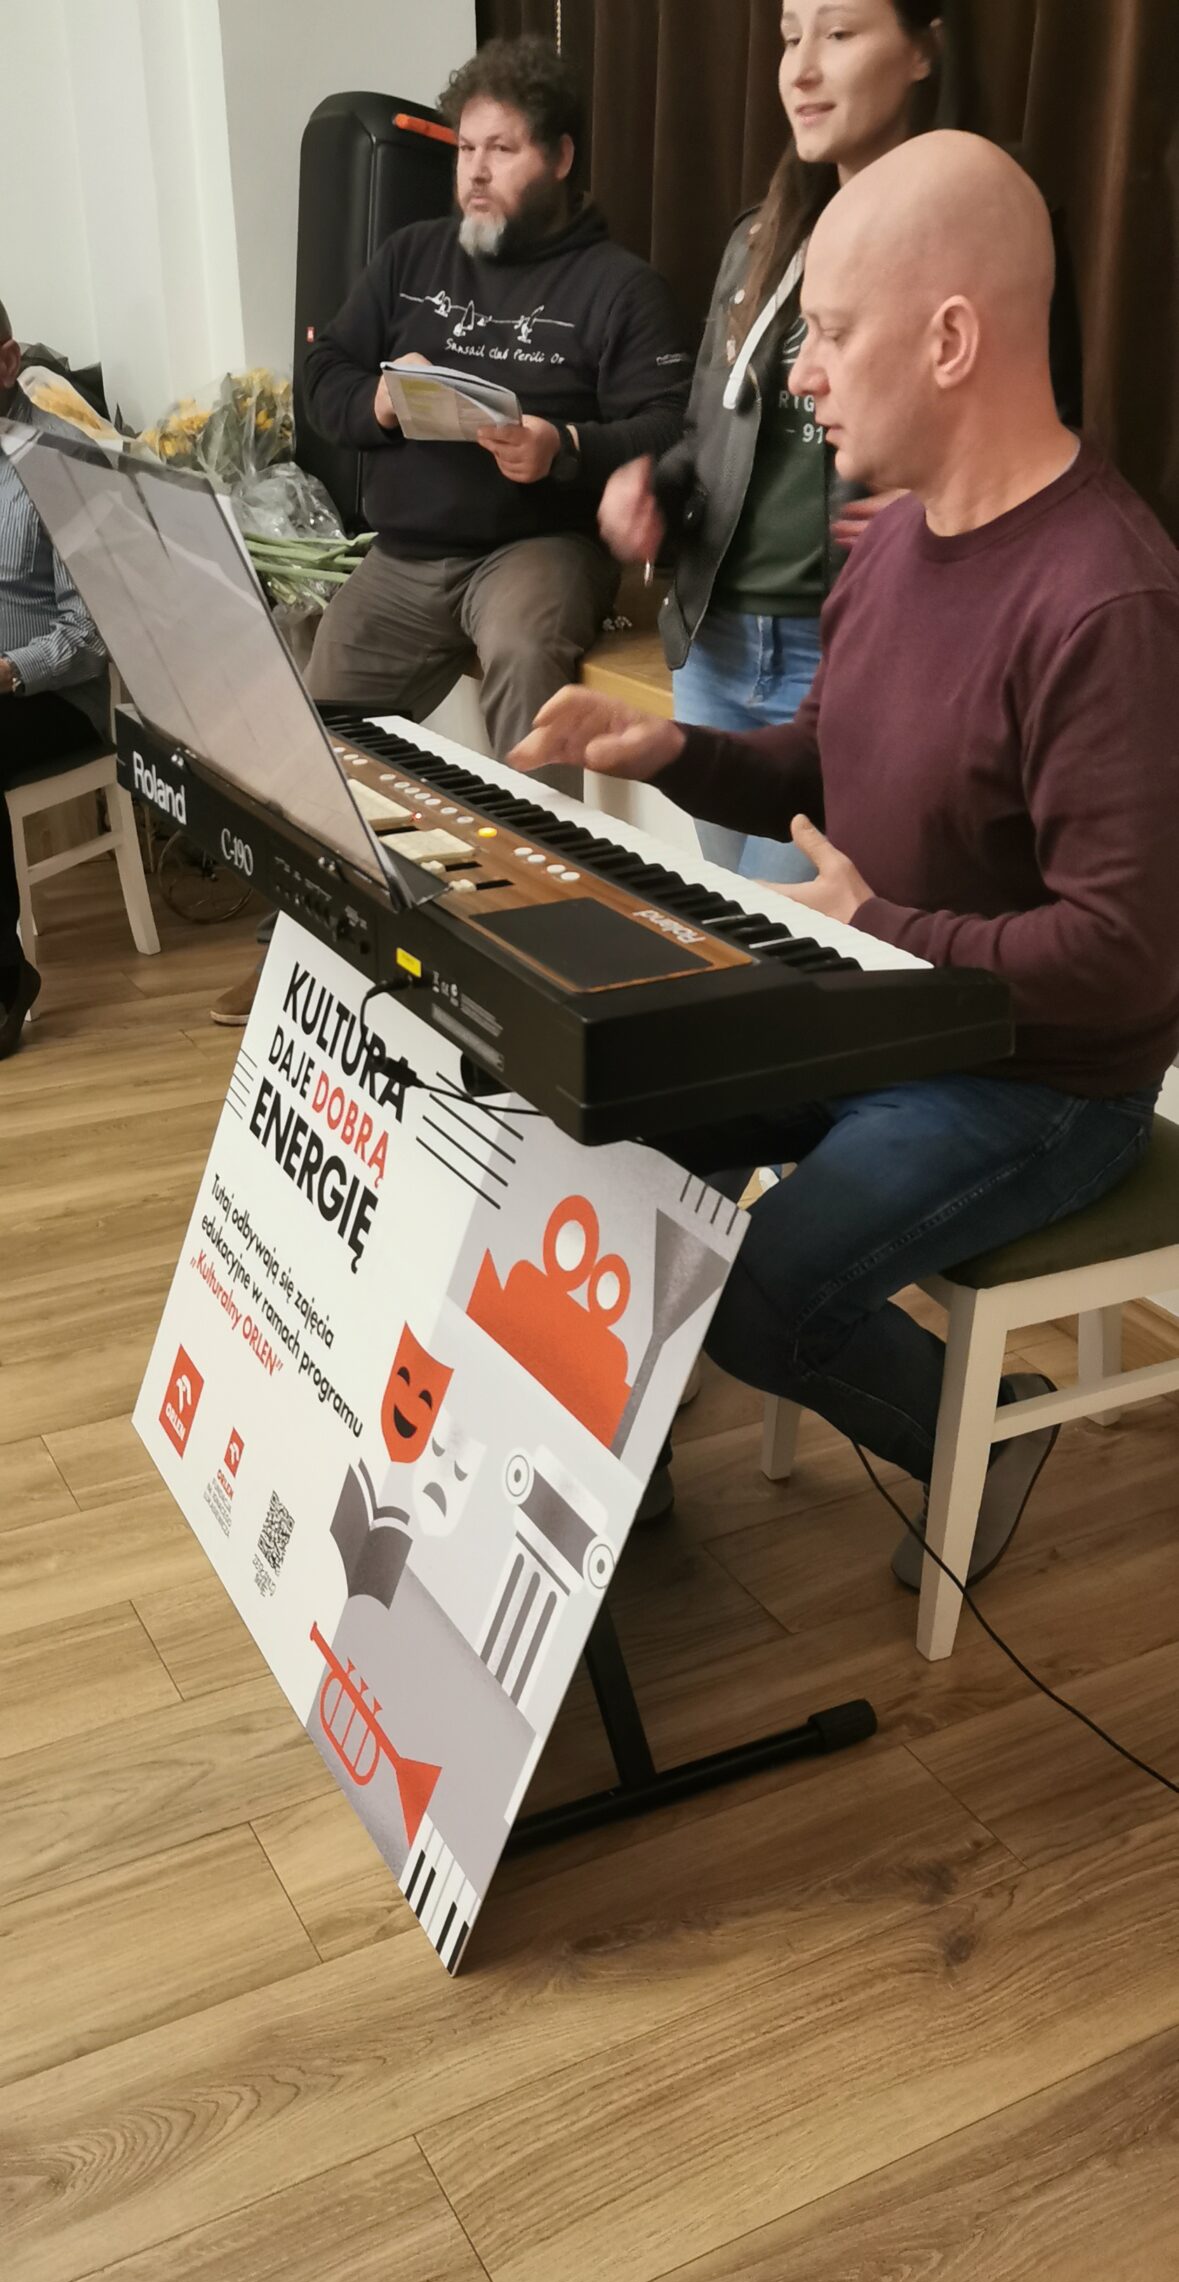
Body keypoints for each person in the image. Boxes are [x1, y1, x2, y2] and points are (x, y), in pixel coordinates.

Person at [510, 133, 1179, 1583]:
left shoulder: (1105, 600)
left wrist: (883, 925)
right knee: (604, 1114)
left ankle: (980, 1440)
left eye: (826, 332)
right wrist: (667, 751)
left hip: (1041, 1078)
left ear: (950, 341)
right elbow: (823, 760)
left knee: (767, 1298)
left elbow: (1125, 960)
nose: (796, 374)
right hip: (879, 1003)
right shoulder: (886, 543)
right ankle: (598, 1477)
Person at [209, 33, 693, 1033]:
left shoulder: (617, 286)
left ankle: (539, 945)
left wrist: (564, 445)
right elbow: (326, 372)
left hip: (535, 546)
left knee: (524, 651)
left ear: (559, 158)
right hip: (405, 553)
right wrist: (381, 401)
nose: (475, 170)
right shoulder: (411, 257)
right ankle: (311, 942)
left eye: (502, 149)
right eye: (467, 148)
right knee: (319, 722)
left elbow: (669, 429)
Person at [598, 0, 1081, 886]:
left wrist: (940, 499)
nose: (802, 68)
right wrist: (655, 493)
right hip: (716, 644)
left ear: (923, 50)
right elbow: (706, 435)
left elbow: (1038, 439)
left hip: (850, 648)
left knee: (787, 931)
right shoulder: (758, 238)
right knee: (735, 913)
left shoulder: (988, 220)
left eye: (839, 33)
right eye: (789, 38)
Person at [0, 300, 109, 1058]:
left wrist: (9, 671)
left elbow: (93, 636)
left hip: (56, 694)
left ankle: (6, 982)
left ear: (8, 362)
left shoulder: (64, 461)